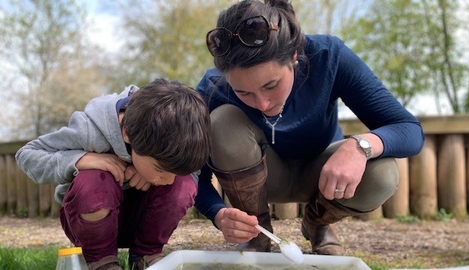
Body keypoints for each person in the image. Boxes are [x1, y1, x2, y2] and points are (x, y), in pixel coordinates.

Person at [194, 0, 424, 256]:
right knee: (222, 121)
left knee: (382, 171)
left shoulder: (328, 57)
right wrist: (218, 213)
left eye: (271, 85)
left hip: (322, 177)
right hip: (262, 178)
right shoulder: (212, 86)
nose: (262, 103)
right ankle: (257, 233)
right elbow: (189, 173)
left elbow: (409, 129)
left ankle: (318, 224)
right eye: (243, 92)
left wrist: (361, 146)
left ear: (294, 56)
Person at [16, 78, 211, 270]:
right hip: (91, 223)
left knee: (183, 183)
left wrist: (151, 174)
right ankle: (101, 261)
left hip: (143, 221)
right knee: (93, 180)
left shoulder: (182, 137)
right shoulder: (89, 130)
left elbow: (185, 174)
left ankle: (145, 255)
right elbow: (27, 155)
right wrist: (80, 159)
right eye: (160, 169)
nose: (168, 181)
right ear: (127, 132)